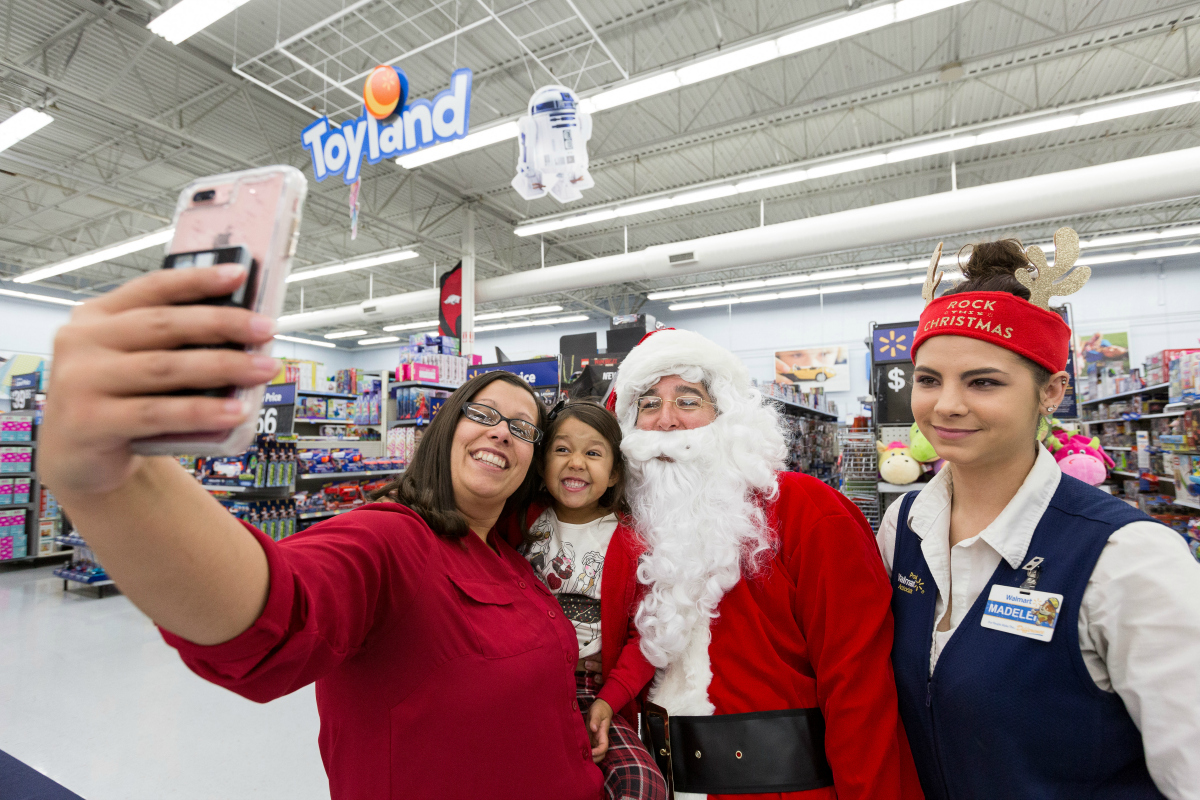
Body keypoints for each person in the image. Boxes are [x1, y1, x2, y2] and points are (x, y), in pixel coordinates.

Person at [38, 265, 605, 799]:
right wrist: (118, 477)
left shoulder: (509, 552)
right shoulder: (393, 539)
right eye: (482, 415)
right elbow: (275, 608)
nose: (503, 433)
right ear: (443, 432)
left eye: (524, 428)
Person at [878, 229, 1200, 800]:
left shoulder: (1128, 558)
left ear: (1051, 392)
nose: (946, 404)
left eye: (983, 382)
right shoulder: (903, 526)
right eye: (929, 380)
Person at [603, 328, 922, 800]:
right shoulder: (622, 527)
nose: (666, 422)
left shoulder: (806, 509)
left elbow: (860, 690)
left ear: (730, 415)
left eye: (688, 401)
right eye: (648, 404)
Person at [511, 400, 666, 800]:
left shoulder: (634, 541)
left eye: (593, 453)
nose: (576, 462)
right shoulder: (517, 521)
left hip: (591, 692)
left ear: (615, 472)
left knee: (639, 783)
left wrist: (608, 701)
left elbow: (646, 637)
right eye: (562, 450)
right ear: (541, 464)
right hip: (519, 683)